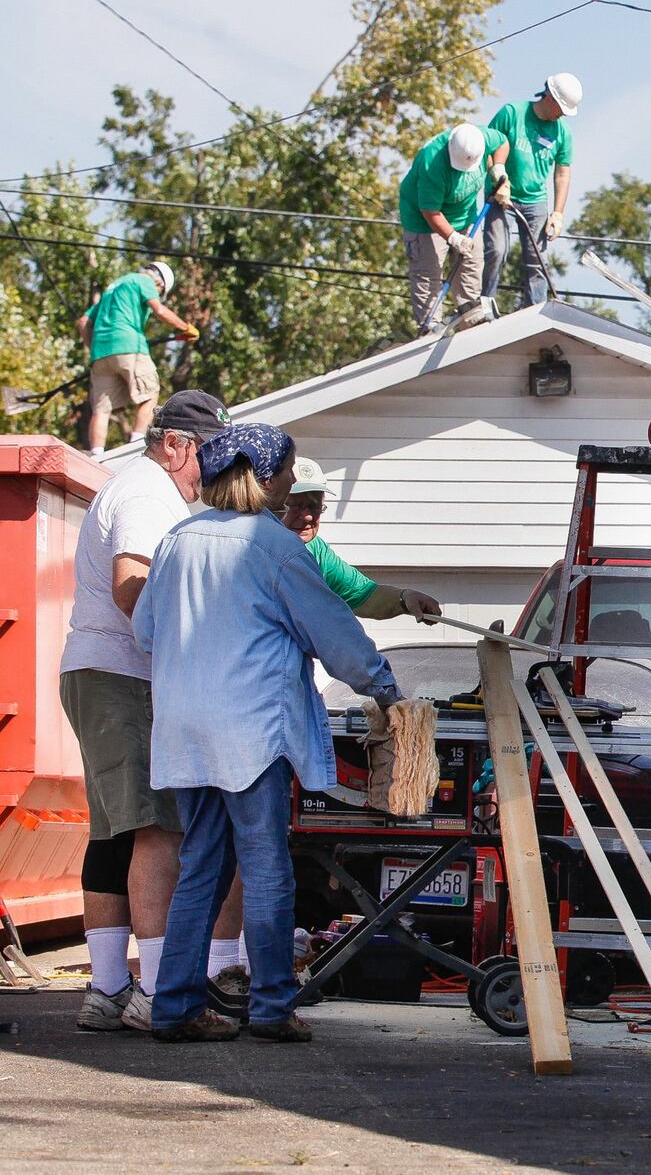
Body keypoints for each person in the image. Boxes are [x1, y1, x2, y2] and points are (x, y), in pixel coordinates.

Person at [133, 424, 403, 1042]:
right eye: (283, 471)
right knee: (266, 868)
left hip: (185, 730)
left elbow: (147, 632)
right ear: (260, 474)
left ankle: (172, 1006)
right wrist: (384, 688)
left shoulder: (176, 541)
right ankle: (273, 1006)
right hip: (250, 730)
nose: (290, 483)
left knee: (200, 865)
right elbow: (334, 632)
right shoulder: (271, 545)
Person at [59, 390, 232, 1033]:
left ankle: (108, 990)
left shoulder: (144, 488)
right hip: (122, 675)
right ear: (174, 444)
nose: (210, 473)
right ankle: (161, 997)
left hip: (97, 672)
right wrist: (190, 648)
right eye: (206, 456)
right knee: (159, 827)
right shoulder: (144, 494)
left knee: (115, 831)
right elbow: (131, 581)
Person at [282, 457, 441, 620]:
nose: (308, 516)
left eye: (314, 506)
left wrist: (405, 597)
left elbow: (363, 595)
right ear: (274, 504)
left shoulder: (316, 550)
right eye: (295, 505)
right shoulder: (257, 548)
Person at [75, 262, 202, 456]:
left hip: (100, 354)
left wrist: (95, 348)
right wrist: (185, 328)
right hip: (130, 346)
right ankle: (136, 444)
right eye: (160, 291)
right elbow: (159, 310)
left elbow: (83, 322)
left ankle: (96, 454)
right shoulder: (144, 281)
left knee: (101, 410)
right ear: (159, 282)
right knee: (150, 392)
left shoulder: (114, 287)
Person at [398, 122, 511, 334]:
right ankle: (429, 329)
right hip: (424, 222)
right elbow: (430, 211)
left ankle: (471, 321)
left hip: (465, 216)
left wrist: (498, 167)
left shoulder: (481, 138)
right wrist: (454, 238)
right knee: (428, 274)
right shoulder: (432, 162)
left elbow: (503, 143)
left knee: (471, 263)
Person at [481, 72, 580, 312]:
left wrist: (557, 213)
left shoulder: (562, 132)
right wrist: (498, 179)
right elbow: (487, 148)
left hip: (535, 201)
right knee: (497, 250)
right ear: (549, 98)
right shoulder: (512, 114)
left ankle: (534, 313)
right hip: (500, 195)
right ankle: (485, 306)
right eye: (561, 109)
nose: (563, 115)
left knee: (537, 261)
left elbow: (562, 173)